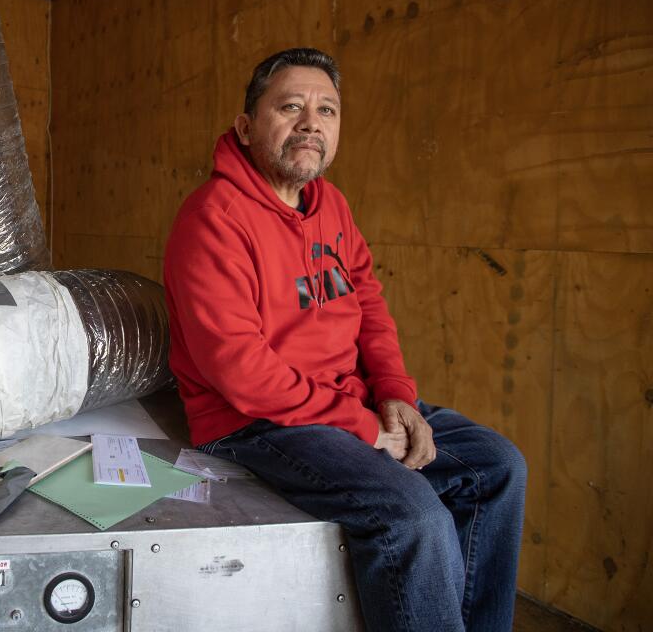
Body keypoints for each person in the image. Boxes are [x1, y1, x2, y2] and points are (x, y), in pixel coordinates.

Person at [163, 47, 527, 632]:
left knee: (498, 466)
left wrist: (395, 396)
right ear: (247, 126)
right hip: (253, 423)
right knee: (412, 514)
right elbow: (242, 373)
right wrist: (365, 428)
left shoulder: (332, 205)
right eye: (291, 106)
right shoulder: (212, 217)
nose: (312, 122)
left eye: (327, 110)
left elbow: (369, 305)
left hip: (344, 403)